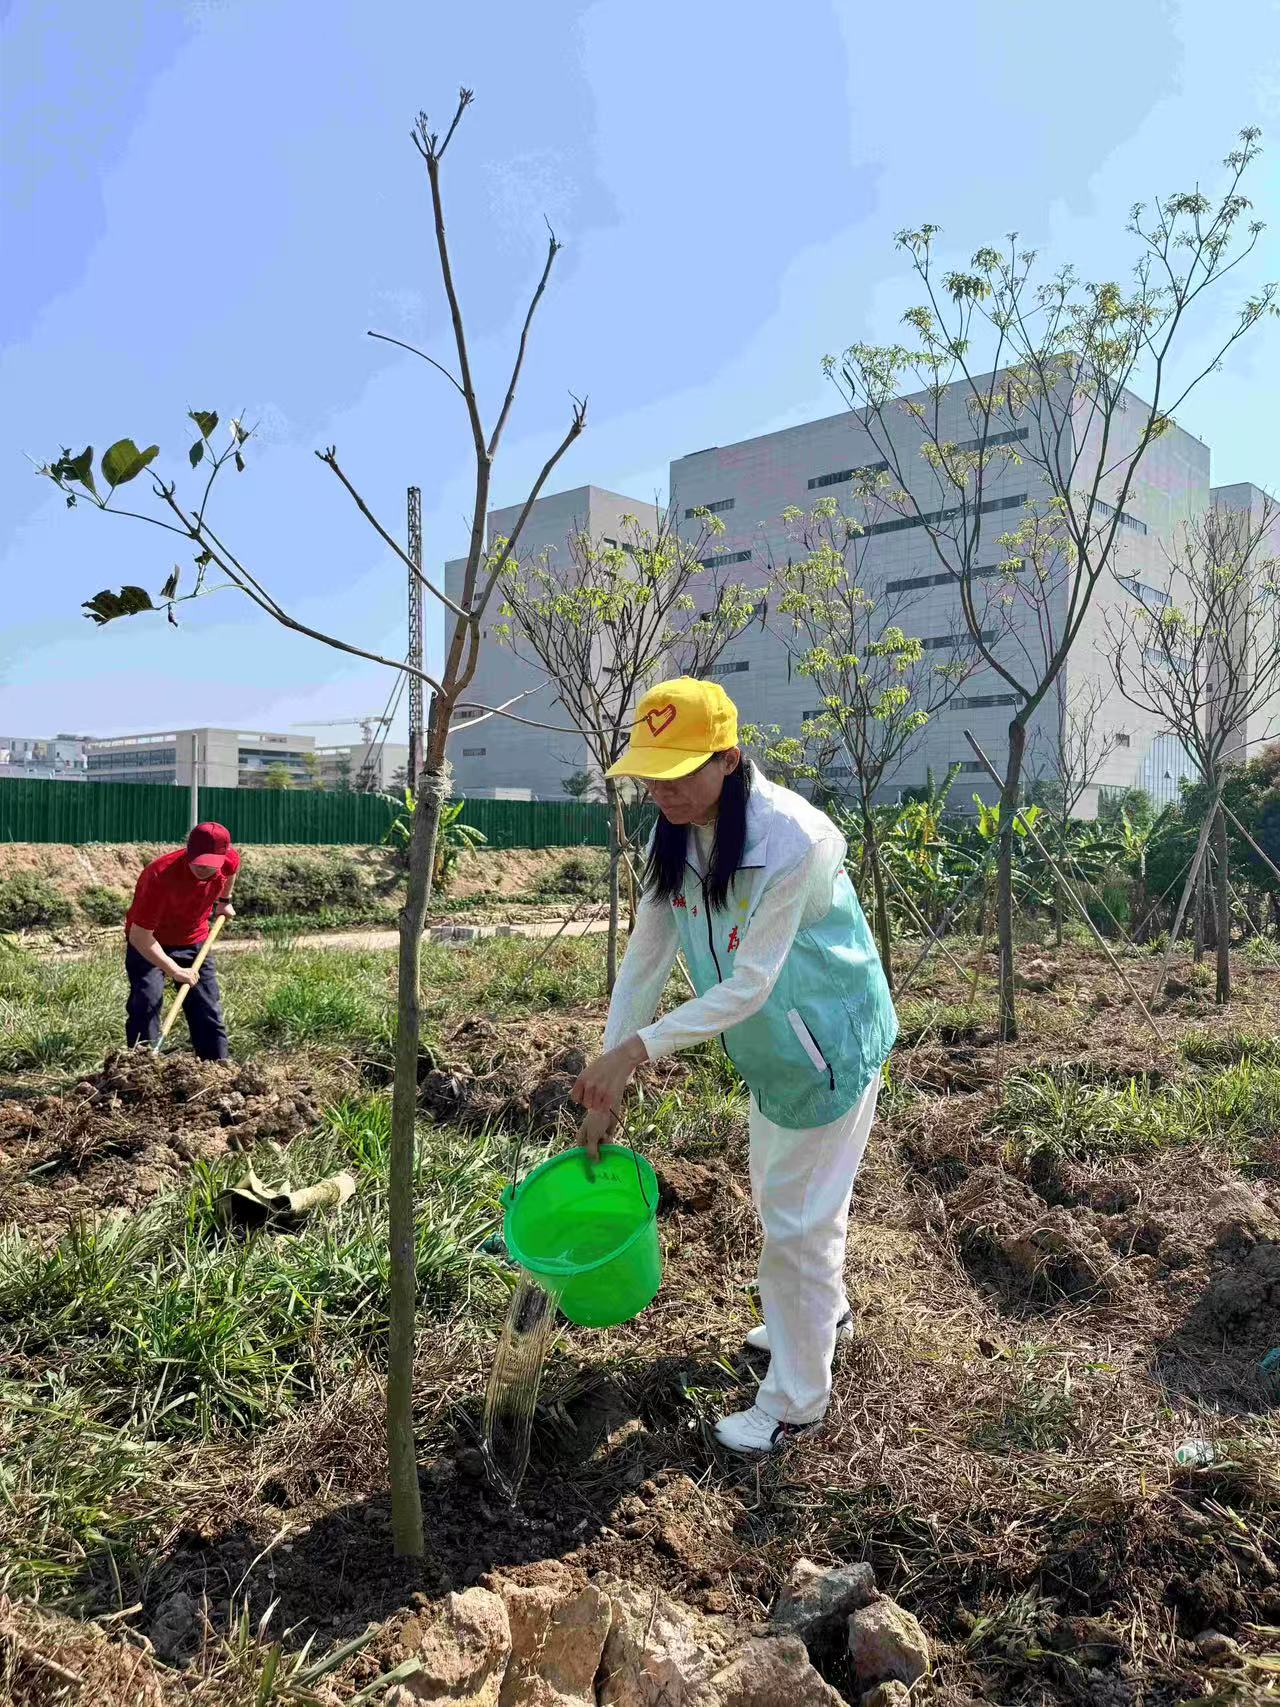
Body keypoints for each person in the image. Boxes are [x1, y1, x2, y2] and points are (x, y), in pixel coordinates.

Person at [570, 678, 897, 1455]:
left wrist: (635, 1051)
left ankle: (796, 1402)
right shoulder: (675, 833)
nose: (662, 790)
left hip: (825, 1043)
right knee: (792, 1203)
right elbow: (646, 957)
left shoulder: (791, 843)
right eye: (651, 773)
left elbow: (751, 984)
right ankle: (824, 1316)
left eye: (679, 771)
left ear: (728, 758)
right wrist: (609, 1076)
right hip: (774, 1050)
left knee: (796, 1224)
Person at [124, 821, 240, 1059]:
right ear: (189, 850)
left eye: (211, 863)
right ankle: (141, 1066)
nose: (203, 868)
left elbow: (231, 871)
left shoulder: (228, 860)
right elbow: (139, 935)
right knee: (146, 1003)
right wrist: (175, 970)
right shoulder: (159, 875)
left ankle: (217, 1067)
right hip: (150, 942)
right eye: (199, 861)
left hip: (193, 939)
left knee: (206, 1007)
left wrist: (224, 901)